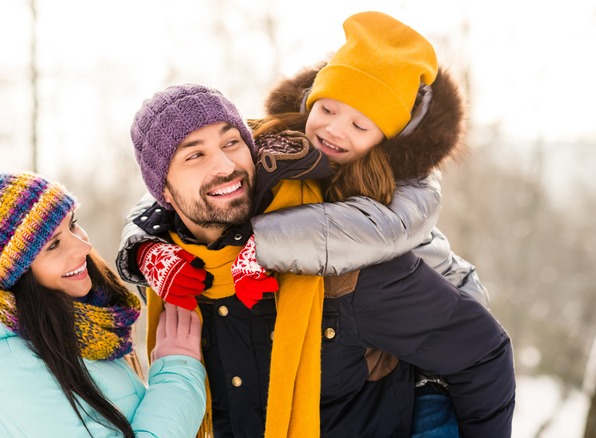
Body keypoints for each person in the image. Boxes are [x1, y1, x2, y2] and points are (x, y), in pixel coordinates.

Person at [117, 80, 514, 436]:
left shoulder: (341, 258)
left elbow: (483, 353)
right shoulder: (170, 281)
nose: (225, 166)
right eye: (194, 156)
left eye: (231, 142)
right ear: (163, 191)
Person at [0, 164, 206, 437]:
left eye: (74, 225)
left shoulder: (73, 332)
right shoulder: (8, 372)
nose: (84, 246)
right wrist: (177, 375)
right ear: (13, 277)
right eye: (53, 245)